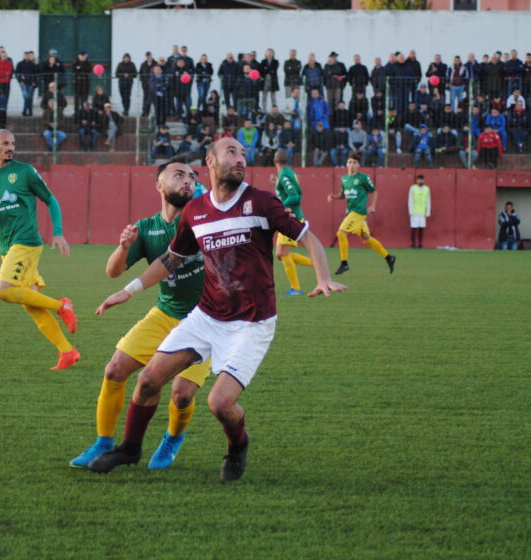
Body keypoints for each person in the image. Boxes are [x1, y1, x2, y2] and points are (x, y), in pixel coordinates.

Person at [88, 137, 346, 481]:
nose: (241, 158)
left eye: (243, 153)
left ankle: (238, 447)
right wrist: (129, 290)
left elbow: (308, 238)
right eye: (231, 152)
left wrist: (323, 277)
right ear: (210, 161)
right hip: (206, 317)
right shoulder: (196, 212)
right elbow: (171, 260)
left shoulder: (262, 202)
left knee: (219, 403)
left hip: (252, 323)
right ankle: (130, 449)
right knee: (149, 380)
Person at [69, 160, 209, 470]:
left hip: (206, 321)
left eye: (191, 176)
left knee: (181, 394)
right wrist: (123, 247)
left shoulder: (203, 219)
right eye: (179, 175)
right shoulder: (146, 228)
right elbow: (113, 272)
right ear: (159, 186)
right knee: (114, 370)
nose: (188, 180)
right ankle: (103, 442)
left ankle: (172, 439)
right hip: (165, 313)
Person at [0, 129, 79, 370]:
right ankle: (67, 352)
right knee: (32, 305)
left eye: (13, 143)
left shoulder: (25, 172)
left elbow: (51, 200)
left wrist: (57, 232)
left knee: (3, 291)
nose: (10, 147)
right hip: (7, 247)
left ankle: (61, 305)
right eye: (5, 143)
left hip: (26, 242)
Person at [328, 154, 396, 275]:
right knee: (367, 238)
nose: (352, 165)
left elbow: (374, 192)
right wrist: (333, 196)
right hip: (351, 212)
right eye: (350, 162)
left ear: (358, 165)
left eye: (354, 162)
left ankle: (344, 263)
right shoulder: (344, 178)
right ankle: (389, 257)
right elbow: (343, 194)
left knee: (341, 233)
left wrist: (373, 206)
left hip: (359, 212)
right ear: (346, 164)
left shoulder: (363, 178)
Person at [271, 150, 313, 296]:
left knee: (283, 253)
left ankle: (296, 288)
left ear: (275, 161)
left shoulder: (284, 174)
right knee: (280, 254)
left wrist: (280, 207)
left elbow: (295, 196)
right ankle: (314, 263)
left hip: (291, 218)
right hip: (289, 218)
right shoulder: (286, 173)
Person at [407, 174, 431, 249]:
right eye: (419, 179)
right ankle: (413, 244)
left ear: (423, 180)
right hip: (414, 211)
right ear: (416, 180)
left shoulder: (427, 188)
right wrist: (410, 211)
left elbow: (428, 200)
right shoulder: (413, 188)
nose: (420, 181)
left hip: (422, 211)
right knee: (414, 228)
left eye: (421, 179)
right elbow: (410, 199)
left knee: (421, 228)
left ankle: (420, 244)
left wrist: (428, 212)